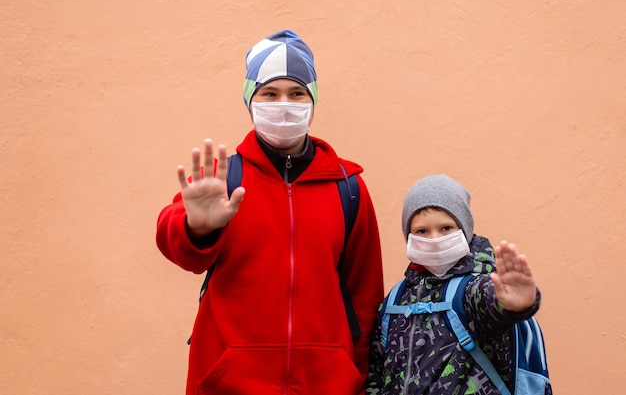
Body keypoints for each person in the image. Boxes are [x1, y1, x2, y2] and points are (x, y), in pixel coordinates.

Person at [156, 29, 384, 395]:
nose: (284, 105)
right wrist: (198, 229)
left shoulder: (348, 187)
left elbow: (365, 296)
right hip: (229, 382)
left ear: (312, 101)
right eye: (270, 93)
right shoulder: (225, 178)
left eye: (297, 93)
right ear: (251, 101)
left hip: (325, 384)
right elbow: (176, 242)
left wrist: (354, 376)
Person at [366, 174, 542, 394]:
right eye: (422, 231)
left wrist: (514, 305)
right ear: (408, 235)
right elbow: (375, 375)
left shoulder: (474, 288)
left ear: (464, 229)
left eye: (446, 228)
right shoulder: (394, 300)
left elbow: (489, 303)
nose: (434, 239)